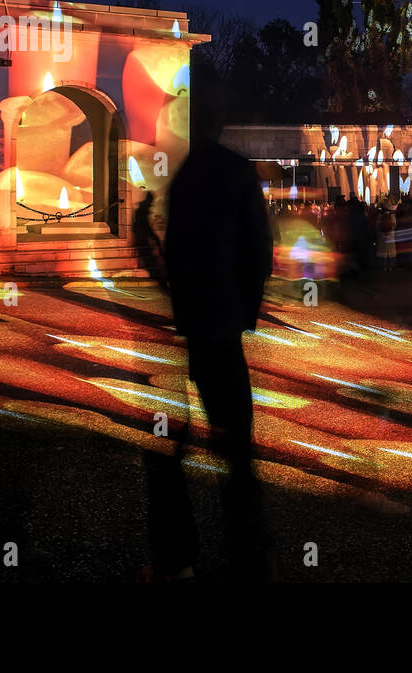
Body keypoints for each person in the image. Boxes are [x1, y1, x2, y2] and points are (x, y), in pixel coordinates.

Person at [147, 102, 274, 582]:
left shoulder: (185, 176)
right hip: (223, 322)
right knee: (237, 446)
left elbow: (177, 251)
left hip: (196, 321)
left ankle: (181, 557)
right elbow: (257, 252)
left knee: (179, 443)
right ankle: (249, 555)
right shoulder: (237, 172)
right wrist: (245, 311)